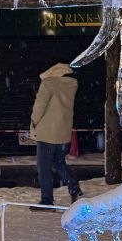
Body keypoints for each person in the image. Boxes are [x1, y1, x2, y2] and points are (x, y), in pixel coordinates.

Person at [30, 62, 83, 209]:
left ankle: (47, 201)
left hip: (47, 132)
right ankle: (74, 189)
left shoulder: (49, 84)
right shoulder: (71, 85)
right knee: (59, 163)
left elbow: (39, 106)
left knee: (44, 168)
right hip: (63, 132)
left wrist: (34, 121)